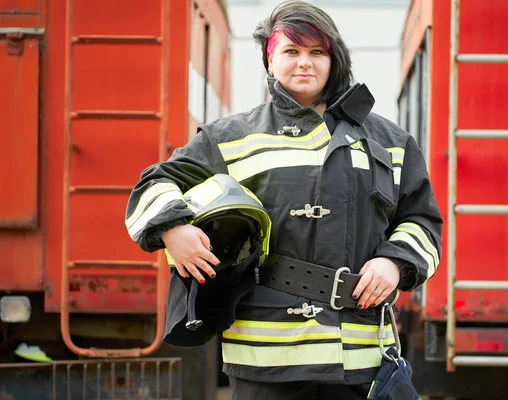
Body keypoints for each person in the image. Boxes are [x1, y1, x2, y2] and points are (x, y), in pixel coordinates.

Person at [124, 1, 443, 399]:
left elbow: (423, 222)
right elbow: (153, 183)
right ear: (269, 60)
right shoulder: (229, 137)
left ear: (334, 58)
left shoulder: (390, 141)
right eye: (291, 51)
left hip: (361, 360)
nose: (304, 63)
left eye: (316, 52)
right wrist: (174, 229)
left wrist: (395, 263)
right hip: (264, 361)